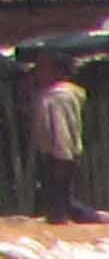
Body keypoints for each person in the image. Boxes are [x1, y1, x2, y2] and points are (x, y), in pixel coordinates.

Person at [24, 64, 88, 223]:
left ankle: (96, 220)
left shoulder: (58, 97)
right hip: (59, 154)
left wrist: (62, 156)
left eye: (45, 69)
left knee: (60, 201)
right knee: (60, 199)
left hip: (58, 155)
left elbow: (61, 128)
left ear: (59, 72)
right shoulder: (52, 95)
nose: (40, 73)